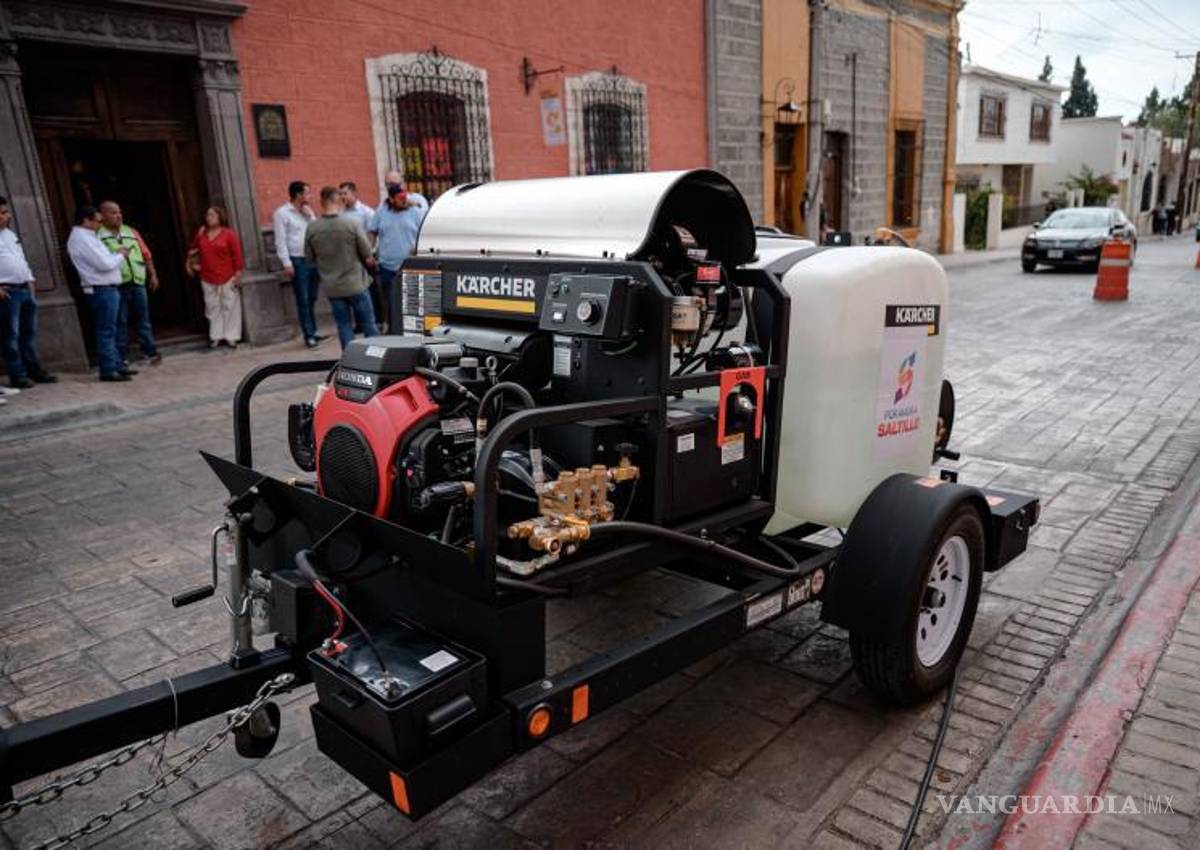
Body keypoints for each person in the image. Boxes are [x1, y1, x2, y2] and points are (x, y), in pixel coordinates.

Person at [304, 185, 378, 349]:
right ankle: (374, 359)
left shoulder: (313, 228)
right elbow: (367, 252)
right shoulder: (350, 224)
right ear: (337, 200)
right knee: (368, 324)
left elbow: (309, 258)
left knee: (343, 325)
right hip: (356, 283)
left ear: (321, 201)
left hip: (332, 286)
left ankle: (349, 361)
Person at [67, 206, 133, 382]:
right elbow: (104, 264)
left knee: (112, 328)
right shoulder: (82, 239)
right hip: (101, 289)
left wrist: (114, 256)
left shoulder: (88, 237)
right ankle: (108, 369)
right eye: (98, 220)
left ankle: (117, 365)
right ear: (86, 221)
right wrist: (120, 255)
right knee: (106, 330)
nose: (100, 224)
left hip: (107, 288)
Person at [0, 195, 56, 391]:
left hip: (24, 289)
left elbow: (20, 259)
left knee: (28, 333)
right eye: (2, 213)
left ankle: (34, 370)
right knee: (10, 335)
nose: (6, 216)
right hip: (7, 293)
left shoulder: (9, 234)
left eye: (5, 212)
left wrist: (30, 280)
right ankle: (18, 375)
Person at [97, 200, 162, 367]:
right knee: (120, 321)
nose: (118, 215)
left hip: (137, 281)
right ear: (102, 216)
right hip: (116, 284)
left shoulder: (130, 231)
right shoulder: (98, 235)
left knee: (143, 319)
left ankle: (150, 351)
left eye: (119, 212)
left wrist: (153, 274)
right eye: (113, 212)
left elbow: (146, 254)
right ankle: (121, 356)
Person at [368, 171, 428, 330]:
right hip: (388, 267)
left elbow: (424, 230)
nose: (404, 202)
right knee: (391, 302)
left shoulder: (415, 210)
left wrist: (418, 248)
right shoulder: (381, 211)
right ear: (391, 200)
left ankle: (415, 330)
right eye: (400, 200)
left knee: (413, 302)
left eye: (405, 198)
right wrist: (371, 251)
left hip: (411, 265)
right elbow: (372, 231)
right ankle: (395, 330)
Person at [273, 180, 322, 348]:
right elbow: (280, 240)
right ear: (298, 195)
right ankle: (309, 335)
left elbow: (317, 231)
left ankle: (314, 331)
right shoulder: (282, 213)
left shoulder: (307, 212)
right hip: (297, 260)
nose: (310, 196)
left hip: (312, 259)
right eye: (307, 193)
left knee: (313, 297)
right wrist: (287, 263)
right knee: (303, 299)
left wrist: (311, 215)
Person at [188, 206, 245, 348]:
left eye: (212, 215)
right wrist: (193, 264)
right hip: (207, 276)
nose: (209, 217)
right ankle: (216, 336)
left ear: (220, 217)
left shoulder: (228, 234)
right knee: (212, 307)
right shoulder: (202, 234)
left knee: (230, 305)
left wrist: (238, 273)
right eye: (207, 215)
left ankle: (231, 336)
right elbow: (192, 250)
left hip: (228, 275)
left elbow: (237, 255)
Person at [339, 181, 377, 331]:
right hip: (349, 258)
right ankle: (360, 323)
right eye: (341, 194)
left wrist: (371, 253)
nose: (342, 197)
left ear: (354, 193)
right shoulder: (341, 214)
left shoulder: (366, 212)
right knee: (353, 290)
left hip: (366, 256)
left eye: (345, 193)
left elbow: (373, 233)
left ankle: (375, 321)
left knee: (370, 290)